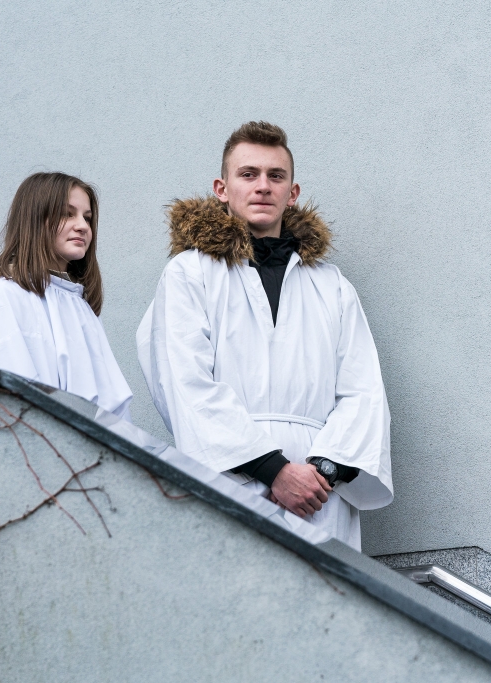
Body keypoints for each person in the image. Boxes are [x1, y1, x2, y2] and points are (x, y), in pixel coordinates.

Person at [138, 122, 392, 549]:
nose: (262, 186)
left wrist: (322, 473)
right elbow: (184, 382)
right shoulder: (190, 274)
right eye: (248, 174)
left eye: (276, 176)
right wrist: (274, 471)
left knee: (326, 590)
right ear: (222, 188)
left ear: (292, 193)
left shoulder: (331, 285)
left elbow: (364, 391)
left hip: (320, 496)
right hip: (232, 479)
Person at [0, 172, 133, 421]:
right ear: (34, 219)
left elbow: (110, 408)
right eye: (67, 214)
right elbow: (6, 400)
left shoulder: (81, 305)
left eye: (87, 217)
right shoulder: (1, 297)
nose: (83, 226)